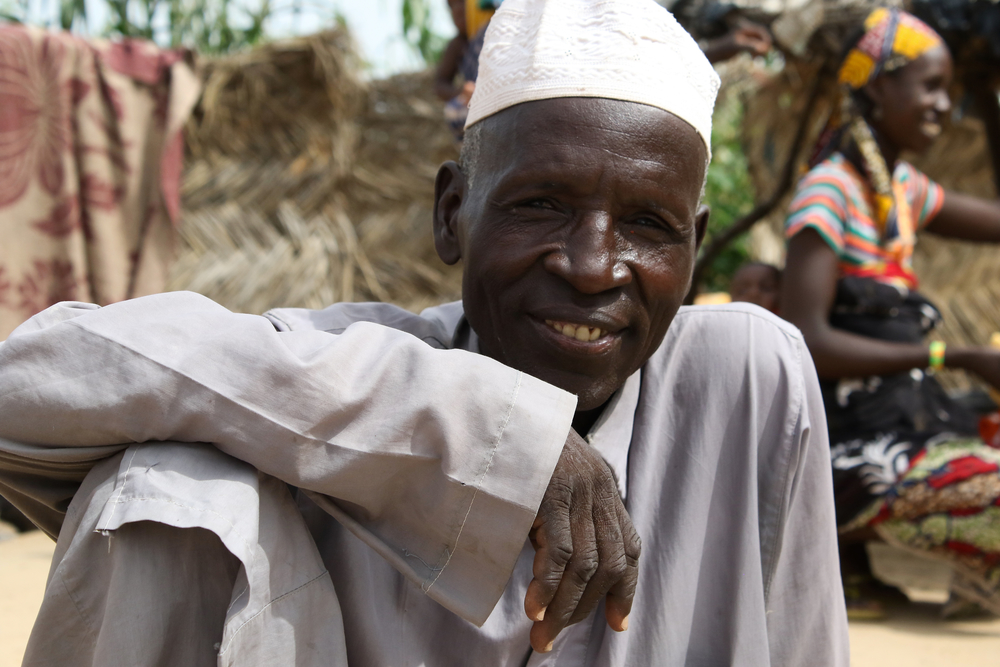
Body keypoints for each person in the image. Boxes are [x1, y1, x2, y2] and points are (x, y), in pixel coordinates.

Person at [0, 1, 848, 665]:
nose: (595, 265)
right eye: (541, 203)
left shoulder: (743, 381)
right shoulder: (363, 365)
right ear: (452, 215)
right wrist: (483, 427)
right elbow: (30, 379)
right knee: (167, 488)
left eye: (650, 225)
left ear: (695, 247)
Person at [782, 7, 1000, 617]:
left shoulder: (897, 188)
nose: (943, 105)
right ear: (879, 86)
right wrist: (952, 354)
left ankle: (946, 573)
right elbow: (808, 340)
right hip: (848, 448)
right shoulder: (830, 191)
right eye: (930, 86)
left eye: (949, 91)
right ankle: (837, 550)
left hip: (903, 424)